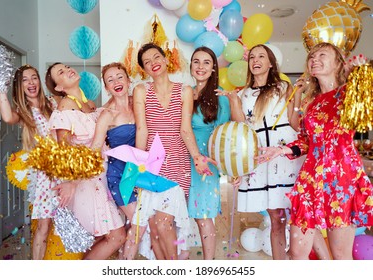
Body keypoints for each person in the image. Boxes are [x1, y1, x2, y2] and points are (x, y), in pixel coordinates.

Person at [258, 42, 373, 260]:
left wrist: (361, 73)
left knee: (340, 255)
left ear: (338, 63)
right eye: (311, 56)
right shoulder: (312, 103)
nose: (314, 59)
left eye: (322, 55)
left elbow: (364, 110)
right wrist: (282, 150)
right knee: (297, 251)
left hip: (342, 179)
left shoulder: (348, 94)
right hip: (311, 178)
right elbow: (306, 141)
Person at [123, 43, 213, 260]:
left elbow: (185, 128)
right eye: (147, 62)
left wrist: (197, 158)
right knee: (154, 227)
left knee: (165, 222)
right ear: (144, 69)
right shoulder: (141, 90)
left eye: (156, 57)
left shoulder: (185, 90)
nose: (153, 63)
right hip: (152, 165)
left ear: (165, 59)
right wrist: (137, 168)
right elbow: (142, 130)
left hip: (177, 163)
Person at [225, 44, 305, 260]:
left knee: (298, 215)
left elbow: (296, 123)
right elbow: (241, 126)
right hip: (259, 157)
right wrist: (233, 100)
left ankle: (301, 259)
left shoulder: (284, 87)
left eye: (261, 56)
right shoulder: (243, 93)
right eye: (252, 57)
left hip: (283, 156)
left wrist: (298, 97)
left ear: (271, 63)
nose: (256, 60)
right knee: (275, 216)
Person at [45, 63, 126, 260]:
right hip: (83, 182)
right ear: (58, 87)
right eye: (61, 72)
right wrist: (72, 182)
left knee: (102, 236)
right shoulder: (64, 109)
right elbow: (63, 152)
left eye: (66, 67)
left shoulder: (89, 104)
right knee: (116, 236)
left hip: (101, 177)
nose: (68, 70)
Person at [0, 65, 59, 260]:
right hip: (45, 176)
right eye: (25, 79)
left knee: (68, 223)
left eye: (34, 78)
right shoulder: (24, 112)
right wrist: (1, 87)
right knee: (44, 225)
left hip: (66, 170)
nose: (31, 82)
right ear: (19, 86)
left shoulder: (53, 103)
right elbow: (7, 116)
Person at [187, 46, 230, 259]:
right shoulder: (186, 92)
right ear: (190, 66)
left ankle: (208, 264)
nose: (200, 66)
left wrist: (211, 161)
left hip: (205, 161)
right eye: (196, 61)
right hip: (183, 157)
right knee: (188, 214)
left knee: (203, 216)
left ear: (213, 68)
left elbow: (222, 135)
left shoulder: (219, 96)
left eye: (206, 62)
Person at [91, 62, 137, 221]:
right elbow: (94, 149)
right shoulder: (107, 115)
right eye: (110, 80)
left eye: (119, 77)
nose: (116, 82)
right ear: (106, 88)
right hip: (119, 175)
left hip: (142, 171)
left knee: (140, 226)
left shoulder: (139, 104)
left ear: (128, 81)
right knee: (139, 222)